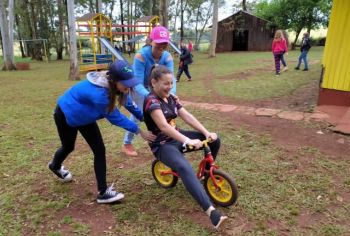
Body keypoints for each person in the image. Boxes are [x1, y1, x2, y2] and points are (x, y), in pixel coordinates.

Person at [48, 60, 155, 204]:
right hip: (66, 113)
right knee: (68, 146)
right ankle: (54, 166)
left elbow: (128, 103)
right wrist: (139, 131)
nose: (129, 86)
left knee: (99, 150)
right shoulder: (100, 95)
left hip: (85, 117)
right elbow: (116, 118)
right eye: (126, 83)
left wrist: (146, 119)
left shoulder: (119, 87)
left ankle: (103, 192)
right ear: (114, 80)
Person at [143, 65, 227, 229]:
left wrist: (206, 132)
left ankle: (205, 176)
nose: (169, 87)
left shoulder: (171, 98)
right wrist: (187, 140)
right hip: (162, 145)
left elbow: (186, 116)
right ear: (154, 83)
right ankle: (211, 212)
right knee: (183, 166)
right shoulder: (151, 101)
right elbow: (164, 127)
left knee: (214, 141)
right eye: (165, 83)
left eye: (171, 83)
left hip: (177, 137)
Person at [122, 25, 177, 156]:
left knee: (165, 112)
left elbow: (171, 80)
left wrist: (171, 95)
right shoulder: (141, 56)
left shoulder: (168, 57)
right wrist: (153, 98)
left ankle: (164, 138)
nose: (161, 48)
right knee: (139, 115)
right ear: (151, 40)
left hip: (157, 89)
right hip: (139, 89)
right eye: (158, 43)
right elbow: (137, 82)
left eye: (164, 44)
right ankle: (126, 143)